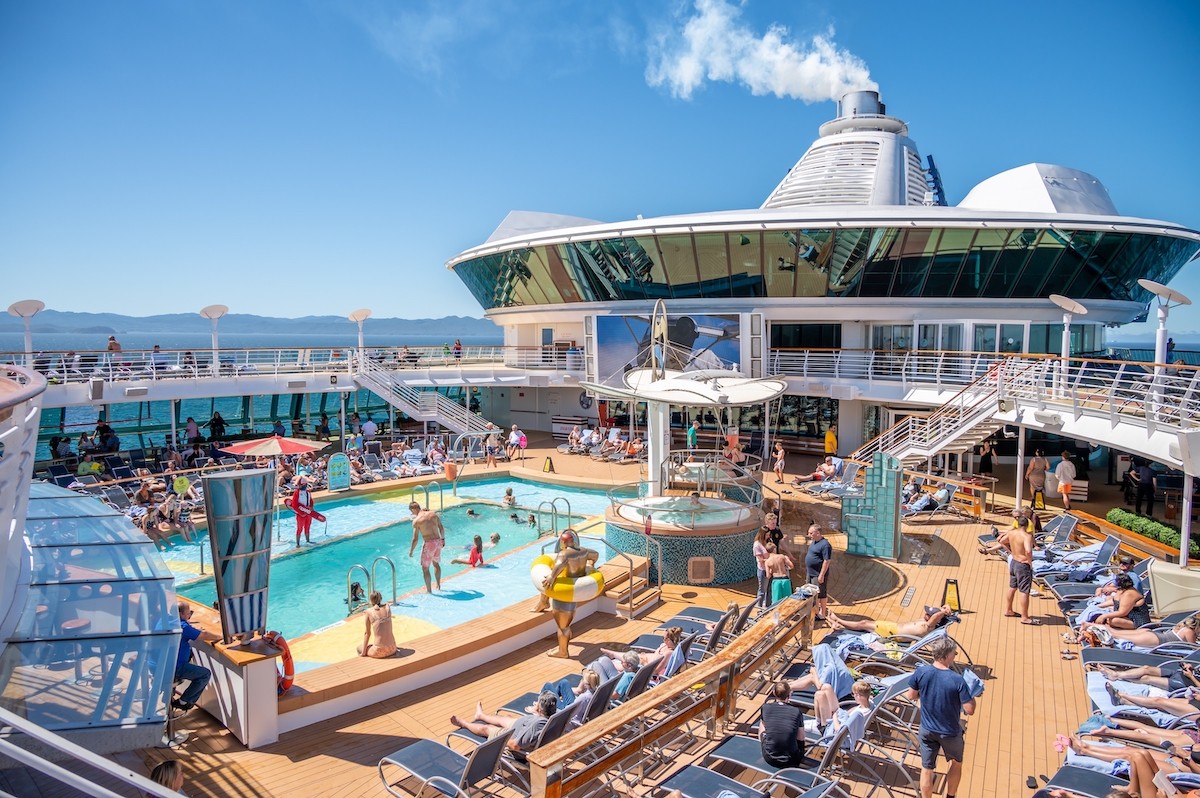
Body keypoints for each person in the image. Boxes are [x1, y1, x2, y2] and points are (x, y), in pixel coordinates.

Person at [907, 638, 976, 798]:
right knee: (956, 763)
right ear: (947, 655)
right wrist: (972, 697)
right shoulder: (957, 680)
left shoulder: (921, 672)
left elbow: (911, 695)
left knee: (927, 769)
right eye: (954, 653)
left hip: (926, 730)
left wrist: (928, 696)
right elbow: (969, 710)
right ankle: (950, 796)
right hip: (949, 732)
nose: (955, 656)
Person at [533, 529, 600, 658]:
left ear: (563, 543)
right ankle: (544, 603)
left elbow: (559, 565)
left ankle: (563, 651)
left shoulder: (564, 554)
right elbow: (595, 555)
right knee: (567, 622)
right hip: (574, 590)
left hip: (564, 592)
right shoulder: (583, 551)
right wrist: (590, 565)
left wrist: (551, 577)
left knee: (563, 626)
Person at [449, 691, 557, 758]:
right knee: (506, 718)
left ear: (539, 709)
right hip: (522, 726)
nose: (535, 703)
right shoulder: (553, 717)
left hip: (514, 738)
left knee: (487, 728)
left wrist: (503, 738)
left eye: (537, 704)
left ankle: (463, 723)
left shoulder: (535, 727)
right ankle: (481, 716)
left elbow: (515, 745)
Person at [174, 603, 221, 711]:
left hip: (156, 666)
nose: (189, 616)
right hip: (175, 668)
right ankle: (184, 701)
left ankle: (168, 695)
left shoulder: (165, 620)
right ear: (180, 614)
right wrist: (221, 636)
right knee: (205, 674)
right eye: (188, 613)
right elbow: (204, 635)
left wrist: (192, 629)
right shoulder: (183, 627)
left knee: (189, 654)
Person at [827, 605, 957, 638]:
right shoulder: (925, 622)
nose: (925, 614)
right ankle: (840, 625)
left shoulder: (928, 626)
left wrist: (943, 612)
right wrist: (946, 609)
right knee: (865, 624)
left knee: (864, 623)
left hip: (892, 633)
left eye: (928, 613)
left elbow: (936, 616)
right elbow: (942, 609)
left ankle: (838, 621)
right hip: (892, 628)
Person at [759, 680, 806, 768]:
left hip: (770, 758)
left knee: (763, 723)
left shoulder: (765, 708)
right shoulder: (796, 711)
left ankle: (764, 743)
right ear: (789, 695)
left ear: (774, 693)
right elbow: (801, 737)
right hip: (793, 760)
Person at [1003, 515, 1038, 625]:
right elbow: (1028, 550)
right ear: (1027, 525)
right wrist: (1029, 562)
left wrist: (1011, 552)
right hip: (1023, 564)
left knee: (1012, 587)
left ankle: (1008, 610)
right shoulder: (1027, 536)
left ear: (1018, 524)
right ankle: (1024, 617)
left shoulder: (1011, 533)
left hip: (1014, 562)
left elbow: (1001, 541)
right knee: (1024, 591)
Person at [408, 501, 445, 593]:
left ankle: (429, 590)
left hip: (429, 544)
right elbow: (441, 528)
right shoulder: (433, 514)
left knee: (425, 568)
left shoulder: (417, 521)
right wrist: (443, 539)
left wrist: (411, 551)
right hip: (438, 542)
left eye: (412, 511)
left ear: (413, 509)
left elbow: (415, 539)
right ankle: (438, 585)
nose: (413, 514)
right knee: (436, 564)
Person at [358, 591, 397, 658]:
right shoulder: (387, 608)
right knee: (371, 646)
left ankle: (363, 655)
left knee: (359, 647)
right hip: (392, 649)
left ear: (370, 600)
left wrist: (363, 652)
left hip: (379, 651)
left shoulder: (369, 612)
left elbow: (367, 633)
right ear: (381, 598)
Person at [805, 523, 832, 620]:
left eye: (811, 533)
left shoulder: (825, 545)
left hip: (818, 574)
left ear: (818, 533)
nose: (809, 535)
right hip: (810, 572)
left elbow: (827, 561)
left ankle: (822, 613)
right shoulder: (814, 542)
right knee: (811, 593)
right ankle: (815, 611)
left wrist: (821, 575)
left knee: (821, 594)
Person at [290, 477, 316, 545]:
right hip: (300, 514)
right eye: (299, 485)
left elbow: (311, 501)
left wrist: (311, 507)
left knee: (307, 527)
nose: (299, 486)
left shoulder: (308, 492)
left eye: (301, 485)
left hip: (308, 513)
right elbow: (294, 505)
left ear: (305, 484)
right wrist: (301, 513)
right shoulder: (296, 493)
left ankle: (308, 541)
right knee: (299, 529)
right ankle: (298, 544)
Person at [753, 527, 770, 609]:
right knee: (762, 590)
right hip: (763, 570)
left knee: (769, 589)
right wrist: (772, 560)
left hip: (770, 569)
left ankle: (768, 605)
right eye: (766, 535)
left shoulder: (768, 541)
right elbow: (761, 560)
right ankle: (759, 608)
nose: (768, 536)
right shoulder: (757, 545)